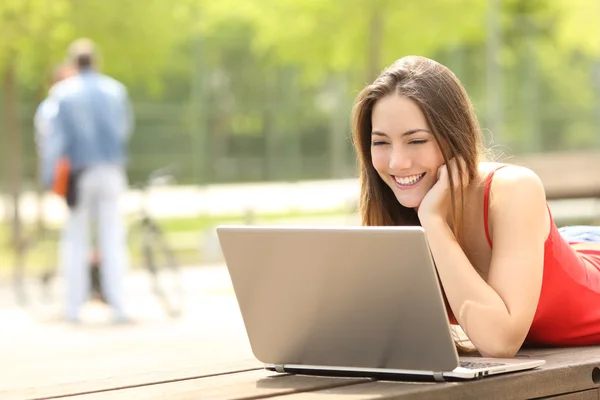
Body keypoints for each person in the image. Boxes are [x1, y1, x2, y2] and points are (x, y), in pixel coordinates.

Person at [351, 55, 600, 358]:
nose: (397, 162)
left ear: (455, 137)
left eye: (416, 141)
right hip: (562, 243)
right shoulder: (390, 212)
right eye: (381, 142)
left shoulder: (512, 189)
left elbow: (499, 342)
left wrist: (434, 223)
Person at [45, 38, 134, 323]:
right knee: (113, 238)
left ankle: (73, 307)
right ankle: (118, 306)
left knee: (75, 240)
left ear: (73, 63)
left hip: (79, 173)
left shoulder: (62, 94)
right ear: (95, 61)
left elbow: (55, 140)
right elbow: (124, 129)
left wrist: (50, 177)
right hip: (110, 169)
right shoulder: (115, 90)